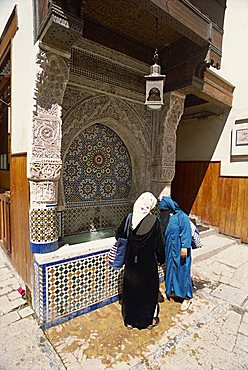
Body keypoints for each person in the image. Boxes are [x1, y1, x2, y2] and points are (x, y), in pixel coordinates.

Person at [116, 192, 165, 330]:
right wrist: (162, 259)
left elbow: (118, 235)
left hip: (131, 264)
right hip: (147, 265)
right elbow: (159, 245)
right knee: (148, 291)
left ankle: (130, 321)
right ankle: (148, 321)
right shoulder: (154, 221)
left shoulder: (129, 218)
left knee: (131, 290)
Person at [159, 196, 193, 311]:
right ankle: (173, 291)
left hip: (180, 250)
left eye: (164, 209)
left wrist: (185, 247)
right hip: (169, 251)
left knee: (183, 271)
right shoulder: (166, 217)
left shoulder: (182, 217)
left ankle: (187, 297)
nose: (162, 212)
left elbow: (186, 232)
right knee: (171, 270)